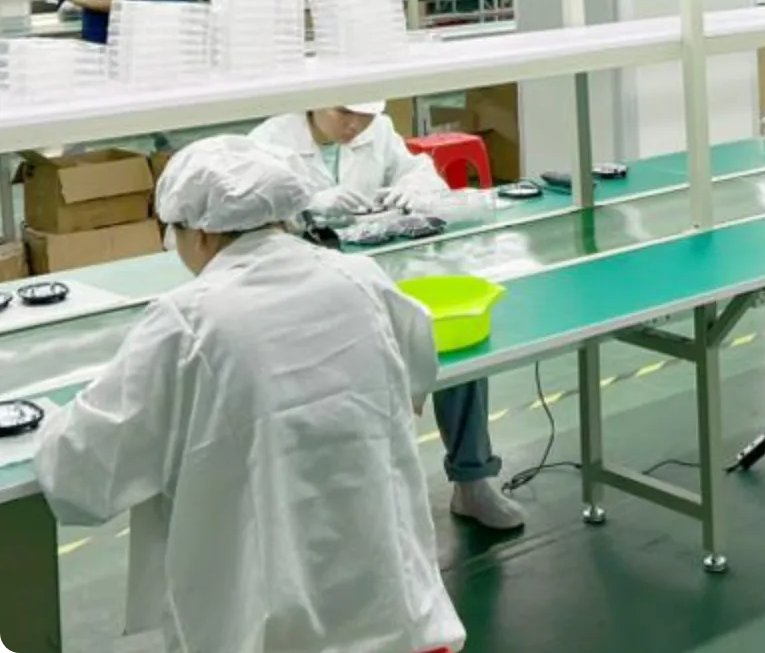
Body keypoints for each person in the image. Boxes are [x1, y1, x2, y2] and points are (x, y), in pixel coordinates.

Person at [33, 135, 465, 653]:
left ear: (199, 234)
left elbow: (83, 472)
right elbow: (419, 369)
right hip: (398, 621)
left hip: (269, 634)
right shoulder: (361, 279)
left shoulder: (188, 320)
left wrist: (46, 425)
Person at [250, 102, 526, 530]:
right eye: (344, 112)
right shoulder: (270, 142)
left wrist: (416, 188)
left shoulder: (377, 131)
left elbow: (420, 172)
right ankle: (356, 501)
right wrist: (306, 205)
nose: (354, 124)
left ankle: (473, 481)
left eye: (363, 115)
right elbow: (247, 220)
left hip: (382, 275)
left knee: (450, 348)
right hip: (307, 292)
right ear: (316, 100)